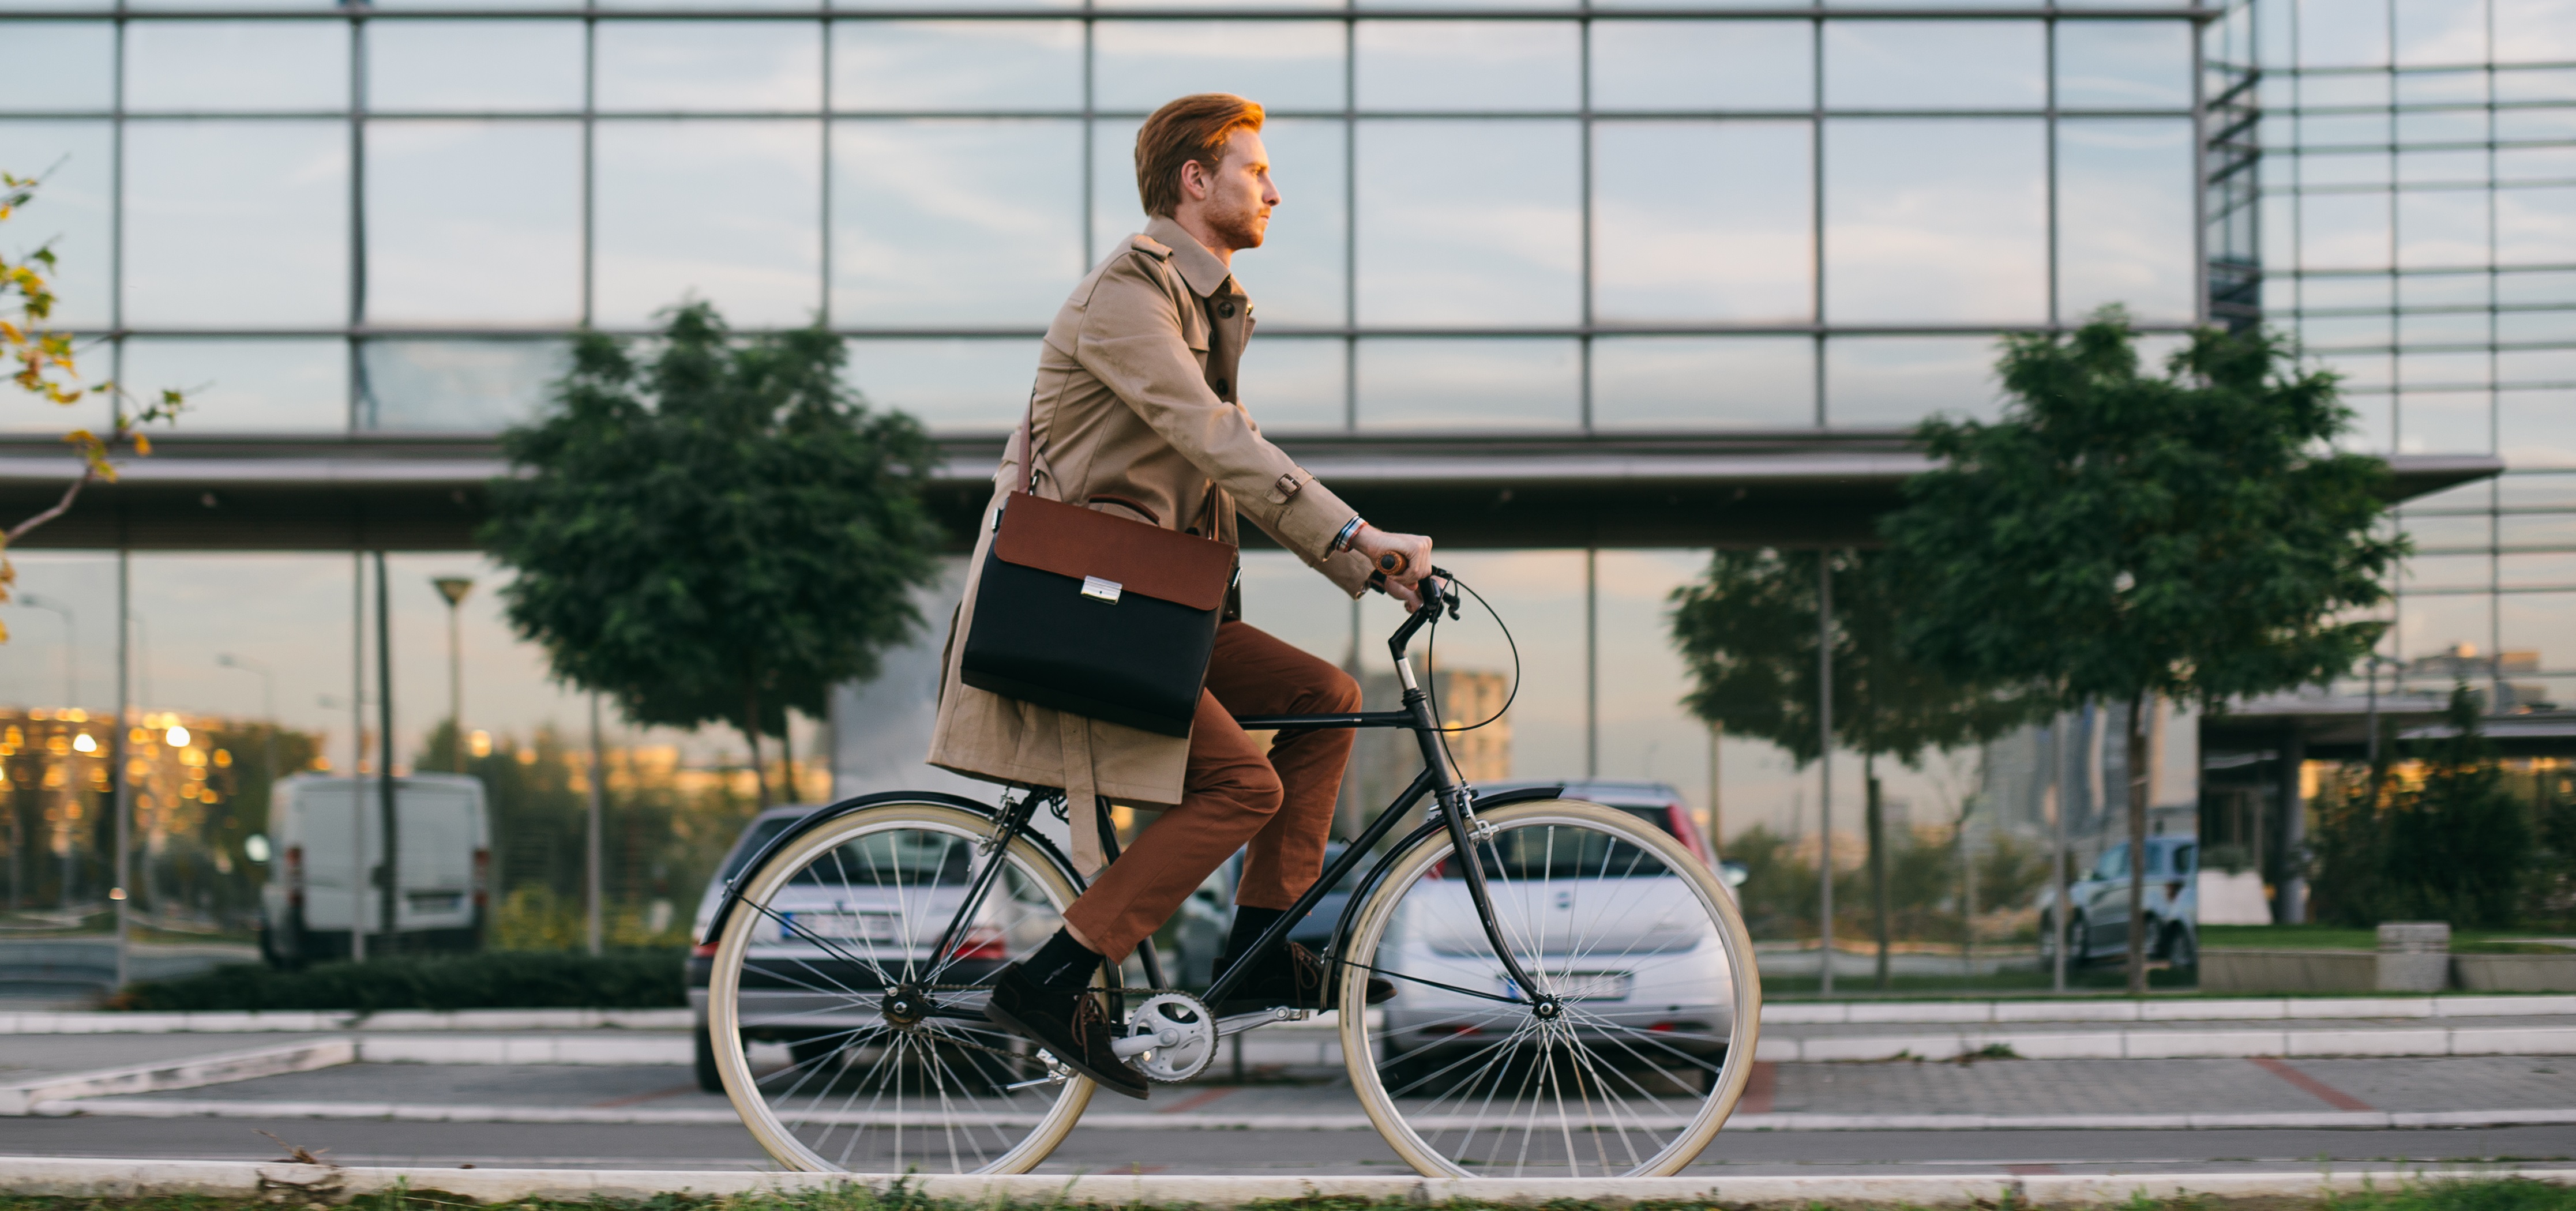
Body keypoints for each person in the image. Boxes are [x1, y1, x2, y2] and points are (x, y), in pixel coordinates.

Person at [925, 94, 1434, 1100]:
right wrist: (1354, 536)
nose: (1274, 190)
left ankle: (1259, 951)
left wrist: (1359, 563)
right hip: (1082, 604)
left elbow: (1237, 463)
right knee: (1244, 786)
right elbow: (1213, 439)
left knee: (1326, 700)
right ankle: (1052, 979)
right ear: (1194, 181)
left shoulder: (1203, 306)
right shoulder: (1125, 295)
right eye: (1256, 171)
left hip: (1156, 611)